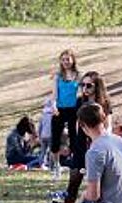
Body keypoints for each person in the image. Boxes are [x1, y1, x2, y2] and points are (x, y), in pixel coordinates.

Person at [65, 71, 112, 203]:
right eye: (82, 85)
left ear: (97, 86)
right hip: (80, 147)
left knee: (98, 182)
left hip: (98, 147)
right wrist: (72, 144)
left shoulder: (104, 103)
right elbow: (75, 124)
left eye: (89, 85)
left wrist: (102, 143)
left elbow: (108, 126)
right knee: (74, 180)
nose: (85, 89)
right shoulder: (80, 101)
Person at [51, 49, 80, 180]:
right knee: (55, 138)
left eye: (68, 59)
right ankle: (56, 166)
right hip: (60, 109)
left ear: (73, 60)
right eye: (63, 60)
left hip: (73, 110)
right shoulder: (58, 76)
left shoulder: (78, 75)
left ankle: (75, 165)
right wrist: (54, 105)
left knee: (74, 138)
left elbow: (81, 92)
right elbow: (54, 94)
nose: (65, 62)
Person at [38, 97, 53, 169]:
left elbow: (40, 127)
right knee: (51, 151)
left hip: (43, 135)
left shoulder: (42, 116)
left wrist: (39, 136)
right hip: (51, 135)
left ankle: (41, 163)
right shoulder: (53, 115)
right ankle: (50, 165)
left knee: (43, 151)